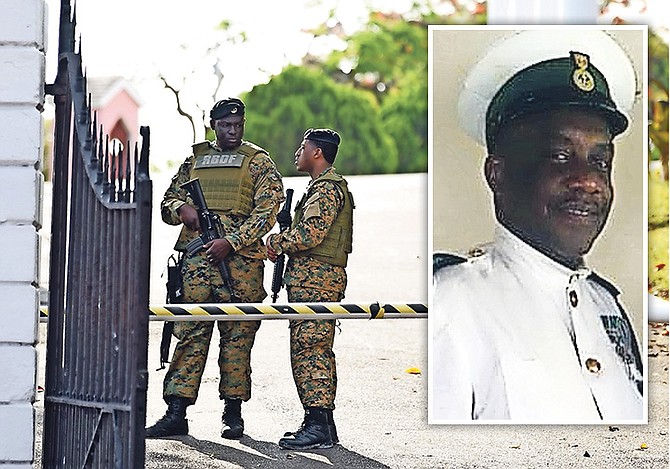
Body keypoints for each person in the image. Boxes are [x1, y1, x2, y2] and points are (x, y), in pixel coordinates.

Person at [431, 30, 644, 422]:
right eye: (560, 155)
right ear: (498, 173)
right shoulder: (450, 305)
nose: (590, 182)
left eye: (600, 161)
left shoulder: (607, 306)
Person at [146, 98, 284, 438]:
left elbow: (268, 210)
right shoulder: (195, 161)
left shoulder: (258, 162)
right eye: (226, 125)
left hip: (240, 266)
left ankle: (232, 413)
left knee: (237, 336)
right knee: (190, 332)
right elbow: (166, 201)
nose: (233, 131)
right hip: (197, 263)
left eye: (238, 125)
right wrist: (181, 209)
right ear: (214, 125)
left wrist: (232, 242)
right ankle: (176, 412)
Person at [266, 128, 354, 449]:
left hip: (317, 282)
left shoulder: (326, 190)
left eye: (303, 147)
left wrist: (278, 241)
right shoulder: (318, 188)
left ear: (317, 153)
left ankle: (317, 424)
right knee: (313, 349)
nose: (297, 152)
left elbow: (310, 235)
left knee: (311, 350)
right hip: (310, 281)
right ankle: (323, 426)